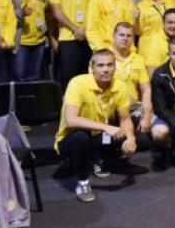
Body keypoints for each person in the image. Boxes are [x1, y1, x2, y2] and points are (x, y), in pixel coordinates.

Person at [54, 49, 137, 203]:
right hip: (70, 138)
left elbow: (125, 119)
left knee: (128, 137)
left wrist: (131, 138)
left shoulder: (119, 86)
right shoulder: (78, 83)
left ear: (115, 67)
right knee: (81, 137)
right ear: (92, 68)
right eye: (100, 65)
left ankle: (95, 157)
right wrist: (105, 127)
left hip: (97, 135)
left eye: (110, 65)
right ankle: (83, 182)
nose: (106, 69)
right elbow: (71, 120)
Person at [49, 0, 96, 89]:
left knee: (89, 77)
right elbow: (56, 12)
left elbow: (96, 10)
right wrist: (76, 29)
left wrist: (85, 29)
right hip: (68, 37)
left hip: (90, 36)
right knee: (69, 79)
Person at [2, 0, 48, 82]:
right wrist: (20, 12)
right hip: (21, 42)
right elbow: (2, 14)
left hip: (39, 40)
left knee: (35, 77)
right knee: (20, 78)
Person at [110, 23, 153, 136]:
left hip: (134, 110)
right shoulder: (102, 58)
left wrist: (147, 116)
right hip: (111, 111)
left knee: (156, 135)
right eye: (121, 35)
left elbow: (146, 90)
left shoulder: (138, 59)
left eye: (129, 36)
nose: (125, 38)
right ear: (113, 36)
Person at [136, 0, 174, 76]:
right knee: (153, 78)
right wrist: (136, 19)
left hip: (168, 46)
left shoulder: (170, 3)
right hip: (149, 49)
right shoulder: (141, 6)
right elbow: (138, 32)